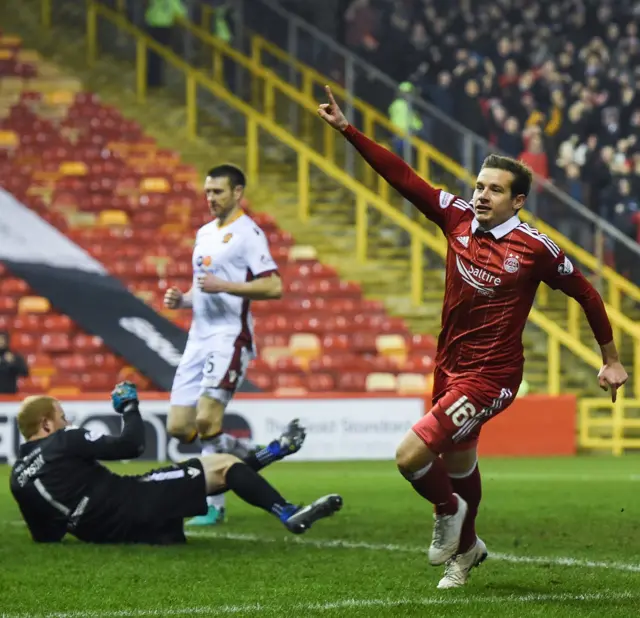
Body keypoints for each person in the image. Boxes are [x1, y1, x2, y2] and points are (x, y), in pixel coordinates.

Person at [317, 86, 628, 589]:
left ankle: (448, 513)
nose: (481, 194)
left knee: (411, 456)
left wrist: (610, 359)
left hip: (493, 375)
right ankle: (467, 552)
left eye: (494, 189)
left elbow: (588, 294)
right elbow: (402, 177)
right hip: (450, 366)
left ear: (518, 199)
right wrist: (348, 131)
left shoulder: (535, 249)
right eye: (479, 185)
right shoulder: (457, 217)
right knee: (460, 462)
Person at [10, 382, 342, 544]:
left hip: (103, 533)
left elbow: (46, 536)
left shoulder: (17, 478)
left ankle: (277, 449)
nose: (67, 423)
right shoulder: (63, 439)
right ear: (46, 425)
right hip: (131, 501)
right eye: (63, 418)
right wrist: (128, 408)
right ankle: (285, 509)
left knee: (212, 473)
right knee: (222, 464)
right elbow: (132, 444)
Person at [163, 164, 282, 526]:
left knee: (206, 418)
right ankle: (247, 452)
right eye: (208, 191)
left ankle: (214, 505)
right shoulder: (203, 233)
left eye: (217, 192)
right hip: (197, 338)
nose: (210, 198)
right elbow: (203, 286)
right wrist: (182, 300)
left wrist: (226, 287)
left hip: (230, 336)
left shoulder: (249, 234)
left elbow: (273, 286)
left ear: (237, 193)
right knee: (180, 428)